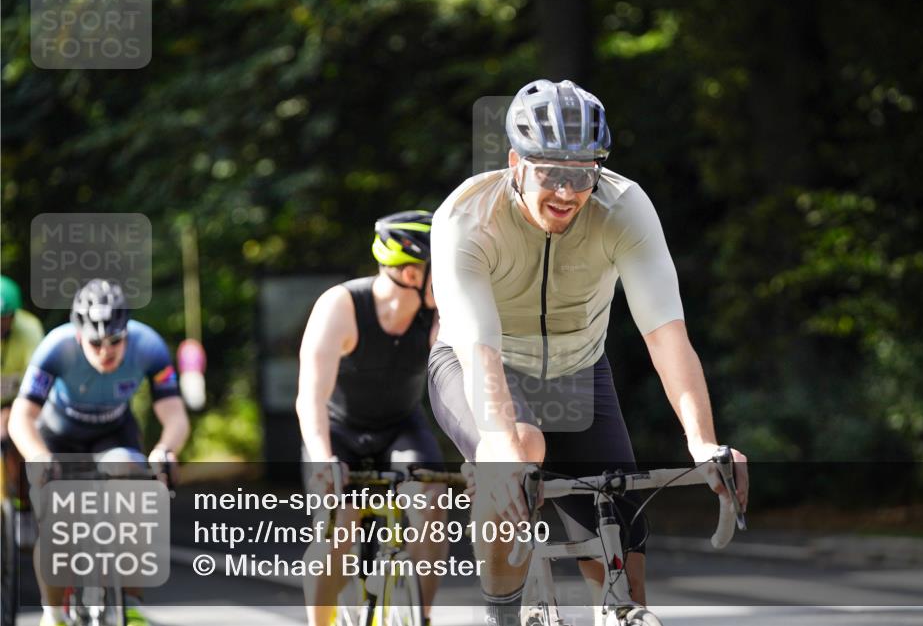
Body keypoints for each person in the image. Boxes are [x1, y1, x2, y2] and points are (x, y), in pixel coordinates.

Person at [428, 79, 750, 626]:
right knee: (516, 449)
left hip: (578, 370)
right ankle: (501, 613)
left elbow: (666, 333)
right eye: (551, 172)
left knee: (624, 566)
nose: (567, 191)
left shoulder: (624, 207)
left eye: (581, 174)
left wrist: (703, 441)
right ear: (515, 162)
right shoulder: (466, 218)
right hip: (476, 361)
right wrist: (502, 448)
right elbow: (479, 348)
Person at [296, 211, 448, 626]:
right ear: (412, 273)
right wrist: (324, 456)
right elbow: (310, 397)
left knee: (432, 504)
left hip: (401, 429)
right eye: (443, 269)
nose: (453, 279)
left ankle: (421, 615)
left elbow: (463, 383)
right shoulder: (341, 306)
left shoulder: (435, 315)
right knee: (336, 531)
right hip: (338, 432)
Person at [8, 279, 190, 626]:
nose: (106, 350)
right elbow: (22, 416)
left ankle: (131, 602)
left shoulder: (148, 345)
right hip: (58, 438)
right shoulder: (56, 346)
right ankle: (55, 613)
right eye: (95, 343)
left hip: (113, 433)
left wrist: (165, 449)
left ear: (127, 333)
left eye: (115, 341)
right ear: (79, 336)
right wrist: (37, 456)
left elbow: (174, 413)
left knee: (137, 495)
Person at [1, 275, 45, 546]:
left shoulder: (29, 331)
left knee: (21, 439)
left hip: (19, 401)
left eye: (4, 317)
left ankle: (24, 507)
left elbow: (39, 381)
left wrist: (13, 412)